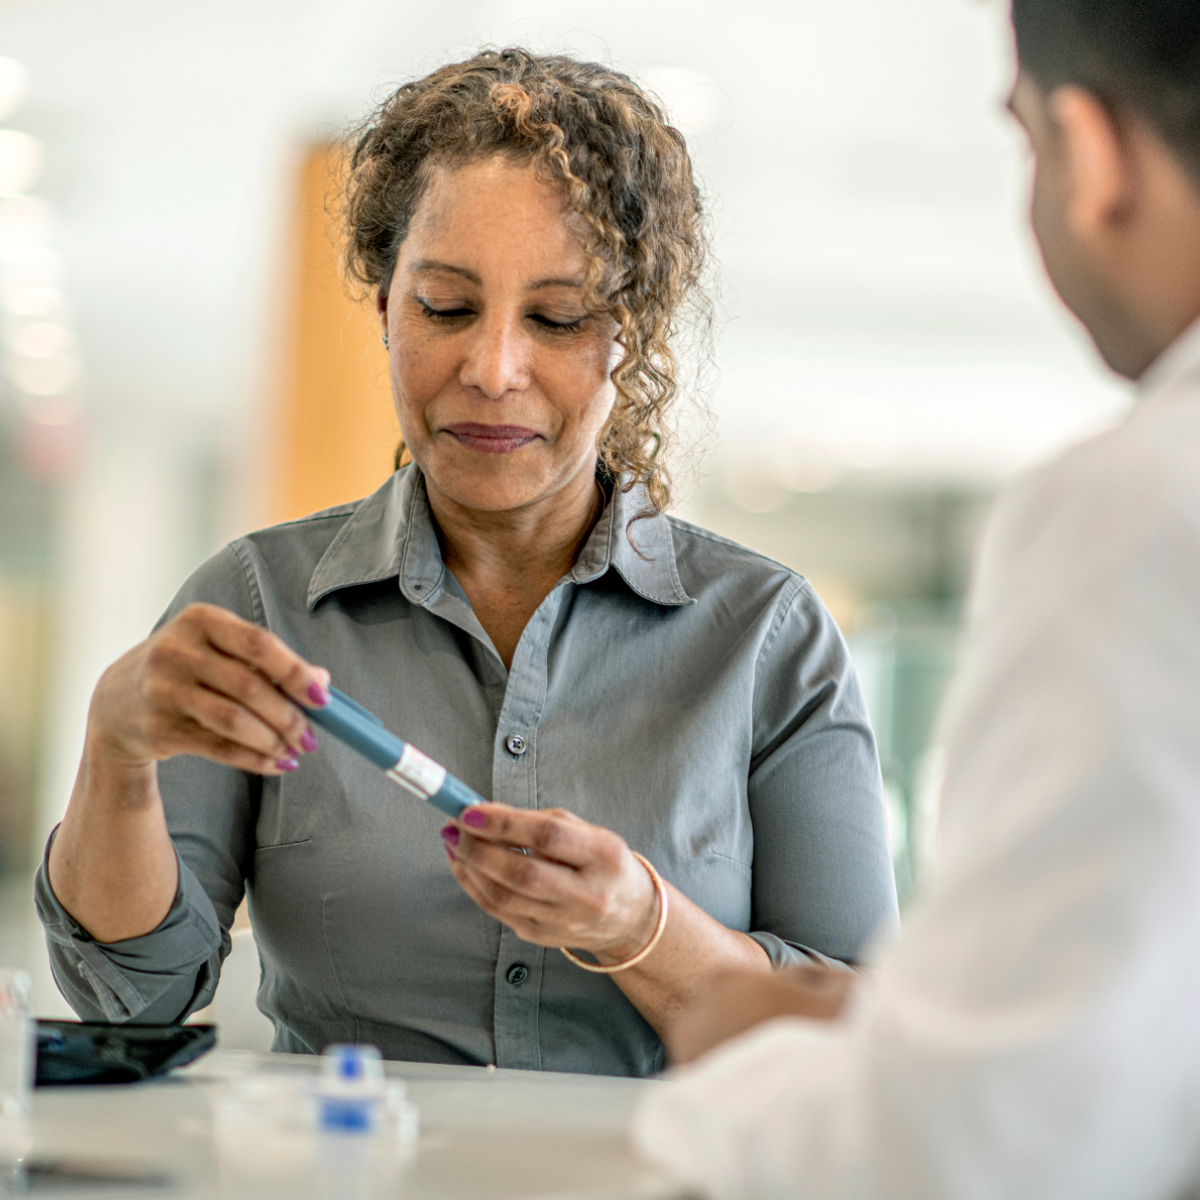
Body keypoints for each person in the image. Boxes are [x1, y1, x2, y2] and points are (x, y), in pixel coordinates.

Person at [35, 50, 898, 1078]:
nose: (492, 369)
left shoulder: (767, 637)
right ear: (385, 312)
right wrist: (116, 758)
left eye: (559, 318)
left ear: (633, 340)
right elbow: (129, 994)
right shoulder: (262, 604)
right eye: (446, 308)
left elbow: (850, 1037)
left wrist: (642, 928)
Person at [631, 0, 1200, 1192]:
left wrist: (740, 1054)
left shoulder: (1140, 507)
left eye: (1028, 142)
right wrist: (922, 1024)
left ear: (1090, 154)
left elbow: (979, 1145)